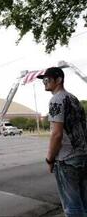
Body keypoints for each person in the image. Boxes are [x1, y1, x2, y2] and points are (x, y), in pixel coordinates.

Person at [37, 67, 87, 217]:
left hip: (66, 159)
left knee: (72, 207)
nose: (45, 83)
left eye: (47, 79)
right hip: (82, 155)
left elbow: (56, 134)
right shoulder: (73, 98)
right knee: (83, 201)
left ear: (58, 80)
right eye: (43, 80)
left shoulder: (56, 100)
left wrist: (50, 159)